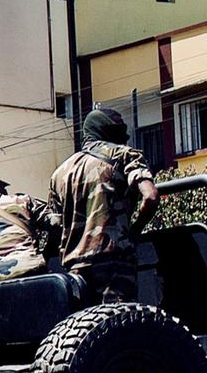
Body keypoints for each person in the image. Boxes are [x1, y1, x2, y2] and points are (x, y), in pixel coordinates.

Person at [47, 107, 158, 303]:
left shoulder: (59, 174)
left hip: (75, 271)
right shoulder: (123, 154)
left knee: (86, 323)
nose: (125, 137)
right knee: (120, 321)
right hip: (114, 265)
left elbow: (55, 227)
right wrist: (133, 233)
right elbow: (150, 197)